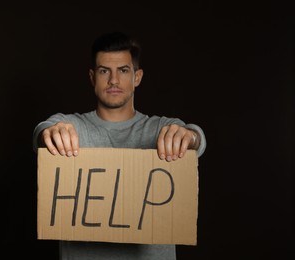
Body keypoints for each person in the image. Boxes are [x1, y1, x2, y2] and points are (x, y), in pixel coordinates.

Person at [33, 31, 206, 260]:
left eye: (123, 70)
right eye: (105, 71)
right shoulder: (72, 126)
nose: (113, 80)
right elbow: (42, 132)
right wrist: (48, 133)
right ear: (93, 77)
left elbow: (195, 139)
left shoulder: (159, 129)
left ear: (137, 77)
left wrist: (191, 137)